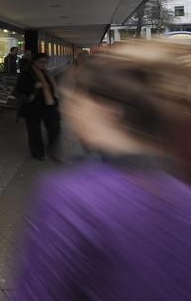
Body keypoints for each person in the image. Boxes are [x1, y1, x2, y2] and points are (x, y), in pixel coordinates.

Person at [13, 40, 191, 300]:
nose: (70, 111)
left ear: (107, 109)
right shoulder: (181, 189)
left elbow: (37, 292)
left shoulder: (73, 197)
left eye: (75, 101)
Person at [15, 53, 60, 161]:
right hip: (33, 107)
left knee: (54, 128)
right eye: (41, 62)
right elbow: (18, 89)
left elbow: (52, 89)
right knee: (34, 131)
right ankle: (37, 153)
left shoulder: (47, 73)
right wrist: (33, 86)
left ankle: (54, 151)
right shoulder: (26, 74)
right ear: (34, 62)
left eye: (45, 62)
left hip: (48, 105)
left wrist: (56, 103)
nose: (44, 64)